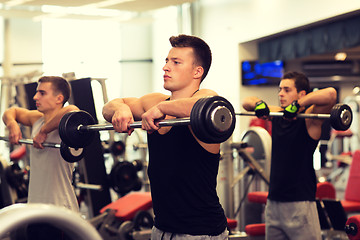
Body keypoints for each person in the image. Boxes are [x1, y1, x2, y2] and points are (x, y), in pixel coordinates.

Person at [102, 34, 228, 240]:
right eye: (167, 61)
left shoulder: (206, 100)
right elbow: (108, 107)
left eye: (176, 62)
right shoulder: (154, 100)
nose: (166, 67)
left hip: (200, 232)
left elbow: (205, 105)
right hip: (160, 229)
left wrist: (161, 108)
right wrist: (121, 109)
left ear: (197, 71)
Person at [242, 71, 337, 240]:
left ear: (301, 93)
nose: (280, 94)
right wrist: (259, 103)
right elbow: (246, 102)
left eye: (286, 90)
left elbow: (330, 94)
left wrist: (298, 105)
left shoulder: (310, 119)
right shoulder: (278, 114)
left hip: (300, 204)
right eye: (280, 89)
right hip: (274, 203)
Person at [3, 76, 80, 240]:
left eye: (42, 93)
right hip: (35, 211)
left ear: (59, 98)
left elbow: (72, 109)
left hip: (60, 212)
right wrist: (12, 125)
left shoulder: (68, 124)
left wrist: (44, 132)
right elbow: (12, 112)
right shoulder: (36, 118)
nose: (35, 97)